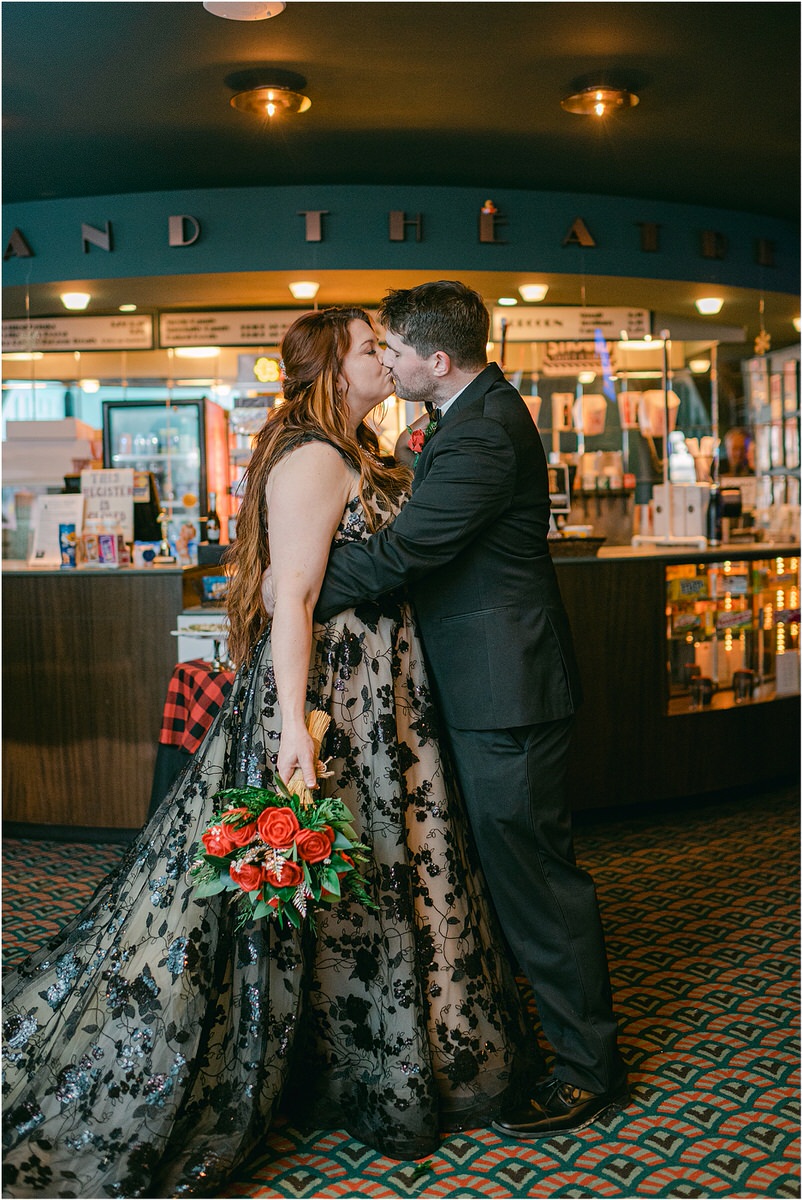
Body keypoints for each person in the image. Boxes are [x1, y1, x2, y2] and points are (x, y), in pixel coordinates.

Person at [2, 307, 540, 1198]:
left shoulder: (351, 447)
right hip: (334, 701)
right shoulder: (312, 456)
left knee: (364, 876)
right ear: (335, 370)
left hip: (380, 699)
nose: (384, 359)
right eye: (371, 349)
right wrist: (295, 722)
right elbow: (291, 598)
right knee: (334, 877)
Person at [311, 281, 629, 1138]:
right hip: (489, 685)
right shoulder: (467, 413)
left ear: (436, 360)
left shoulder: (484, 428)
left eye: (397, 352)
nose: (388, 360)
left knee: (538, 886)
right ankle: (556, 1039)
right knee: (514, 875)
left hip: (508, 691)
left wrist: (296, 590)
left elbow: (412, 549)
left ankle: (589, 1068)